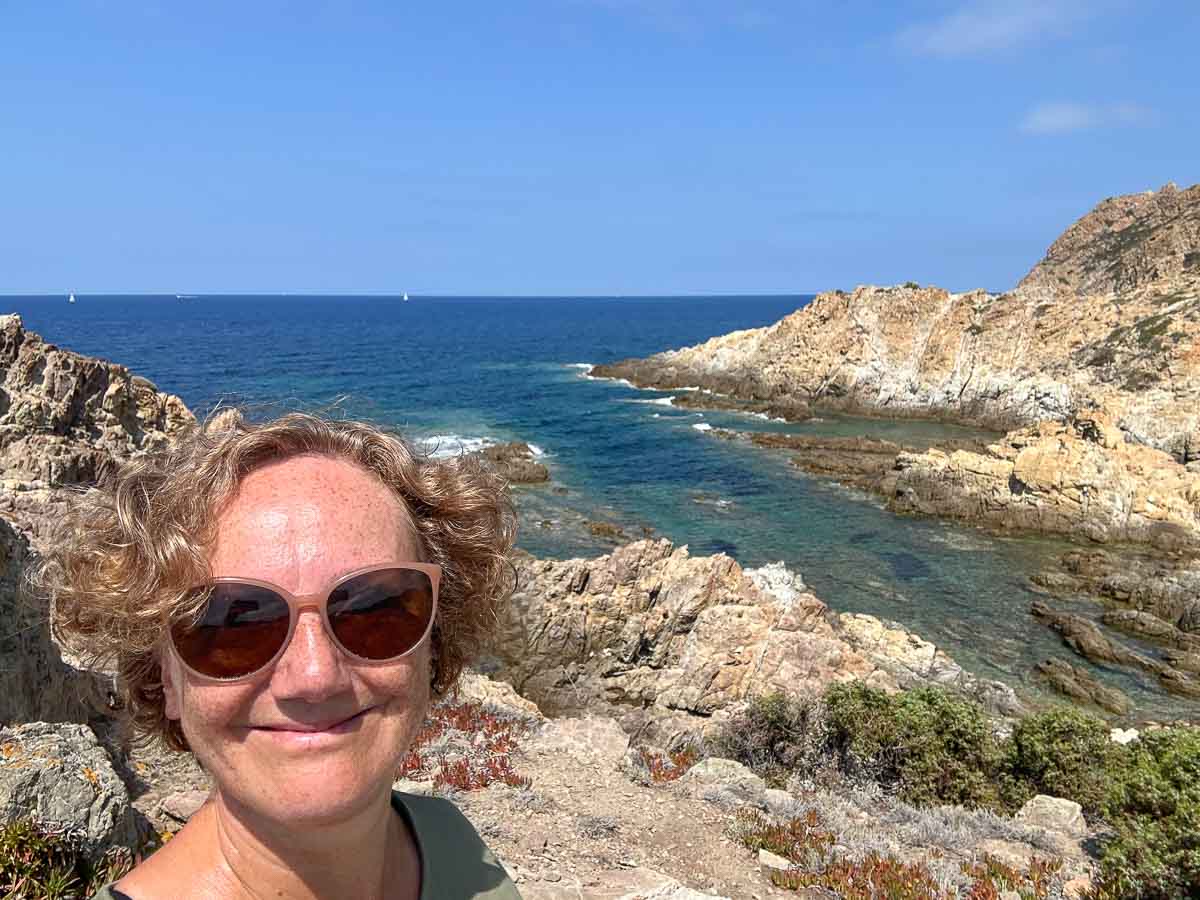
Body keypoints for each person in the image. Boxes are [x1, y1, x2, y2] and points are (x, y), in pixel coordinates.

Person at [37, 411, 523, 899]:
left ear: (433, 644)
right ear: (164, 680)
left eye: (374, 608)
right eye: (231, 624)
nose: (314, 676)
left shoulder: (456, 847)